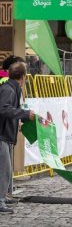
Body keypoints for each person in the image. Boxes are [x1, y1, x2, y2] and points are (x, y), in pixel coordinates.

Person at [0, 62, 35, 214]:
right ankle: (0, 201)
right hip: (2, 135)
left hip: (6, 134)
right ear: (23, 77)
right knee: (4, 170)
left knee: (6, 169)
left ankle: (3, 196)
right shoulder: (9, 89)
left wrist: (24, 118)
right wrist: (24, 114)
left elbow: (11, 111)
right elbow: (4, 109)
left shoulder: (13, 88)